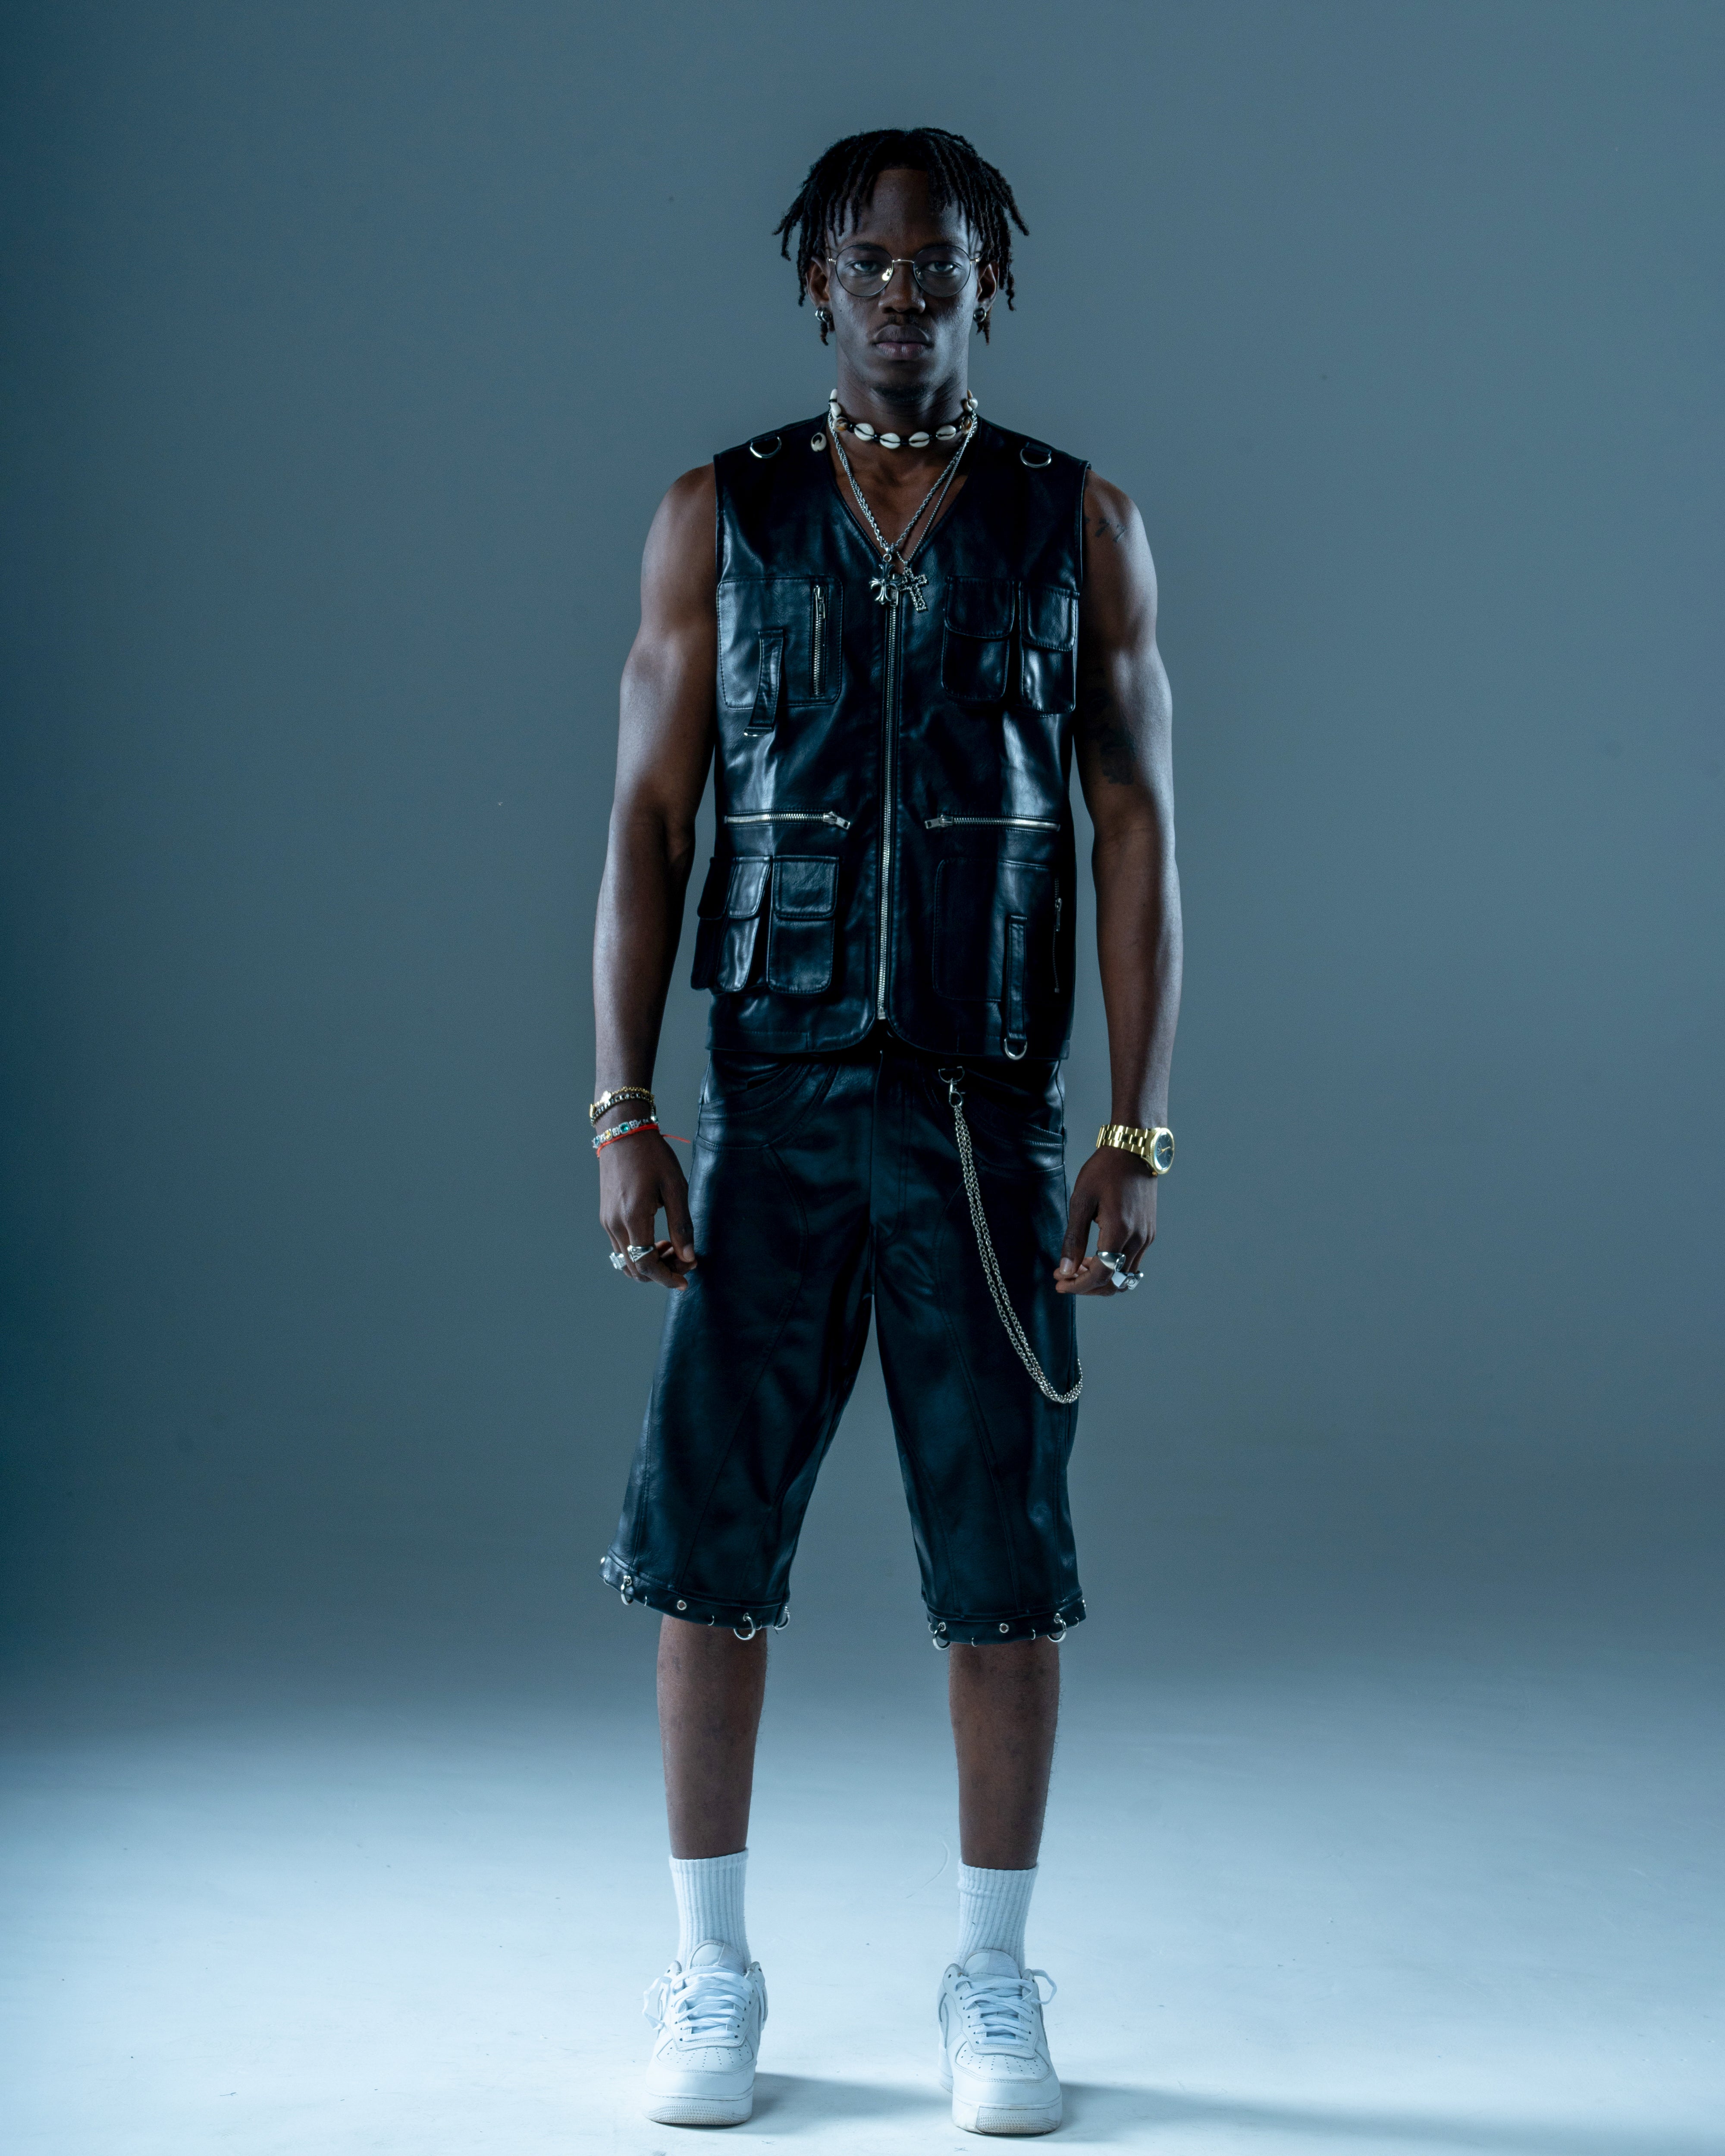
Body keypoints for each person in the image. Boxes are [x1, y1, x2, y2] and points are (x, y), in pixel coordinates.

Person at [590, 126, 1181, 2135]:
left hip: (986, 1113)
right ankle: (712, 1960)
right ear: (815, 281)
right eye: (871, 262)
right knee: (709, 1541)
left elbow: (1134, 833)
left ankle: (992, 1973)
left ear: (989, 285)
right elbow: (649, 820)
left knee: (1002, 1551)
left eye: (941, 265)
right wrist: (622, 1106)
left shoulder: (1077, 521)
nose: (905, 295)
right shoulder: (721, 514)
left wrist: (1137, 1133)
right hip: (768, 1098)